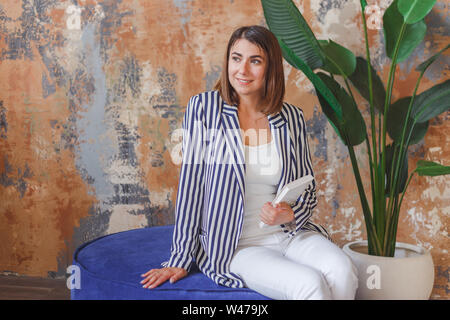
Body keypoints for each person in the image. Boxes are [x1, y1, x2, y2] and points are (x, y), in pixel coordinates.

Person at [140, 25, 358, 300]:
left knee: (343, 270)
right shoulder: (204, 109)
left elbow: (308, 188)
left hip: (290, 234)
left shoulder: (290, 117)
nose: (242, 70)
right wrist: (180, 258)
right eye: (236, 58)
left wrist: (290, 214)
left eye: (255, 61)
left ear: (270, 69)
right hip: (239, 246)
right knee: (310, 284)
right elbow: (190, 189)